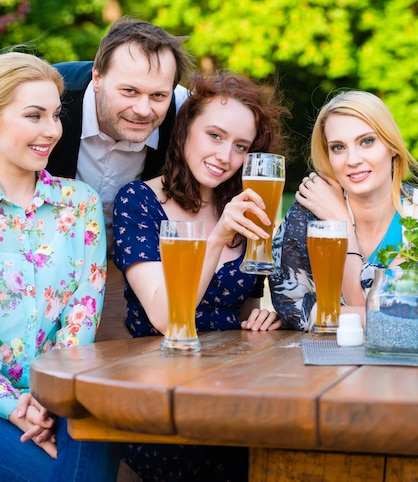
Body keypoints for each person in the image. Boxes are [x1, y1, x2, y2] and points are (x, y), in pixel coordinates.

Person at [112, 72, 291, 481]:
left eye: (240, 146)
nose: (226, 156)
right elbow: (164, 315)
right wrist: (219, 236)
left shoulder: (246, 207)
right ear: (185, 128)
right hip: (165, 397)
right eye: (214, 135)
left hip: (235, 390)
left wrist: (263, 316)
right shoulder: (139, 202)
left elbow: (240, 305)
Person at [0, 51, 121, 482]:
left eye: (55, 115)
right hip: (1, 405)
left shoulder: (80, 203)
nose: (52, 130)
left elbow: (81, 314)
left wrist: (48, 397)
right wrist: (13, 405)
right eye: (35, 115)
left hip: (61, 397)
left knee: (103, 414)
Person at [269, 89, 418, 331]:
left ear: (391, 146)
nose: (352, 159)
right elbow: (292, 308)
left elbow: (409, 319)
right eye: (338, 147)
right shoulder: (308, 213)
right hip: (319, 366)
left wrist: (341, 224)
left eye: (367, 141)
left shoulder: (414, 217)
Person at [47, 16, 194, 247]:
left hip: (133, 268)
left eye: (158, 95)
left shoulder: (187, 113)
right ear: (97, 78)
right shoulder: (51, 95)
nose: (143, 110)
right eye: (129, 91)